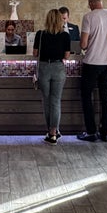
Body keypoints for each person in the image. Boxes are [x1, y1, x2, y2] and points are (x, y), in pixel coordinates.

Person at [78, 0, 107, 142]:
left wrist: (88, 43)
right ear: (101, 2)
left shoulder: (88, 17)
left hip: (91, 62)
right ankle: (104, 133)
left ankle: (91, 132)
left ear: (91, 3)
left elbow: (83, 44)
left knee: (86, 96)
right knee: (106, 98)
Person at [33, 8, 72, 144]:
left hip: (44, 68)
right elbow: (66, 56)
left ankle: (52, 132)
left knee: (47, 101)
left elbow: (35, 53)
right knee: (56, 101)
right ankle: (54, 132)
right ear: (59, 19)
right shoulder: (65, 35)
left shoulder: (40, 34)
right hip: (58, 69)